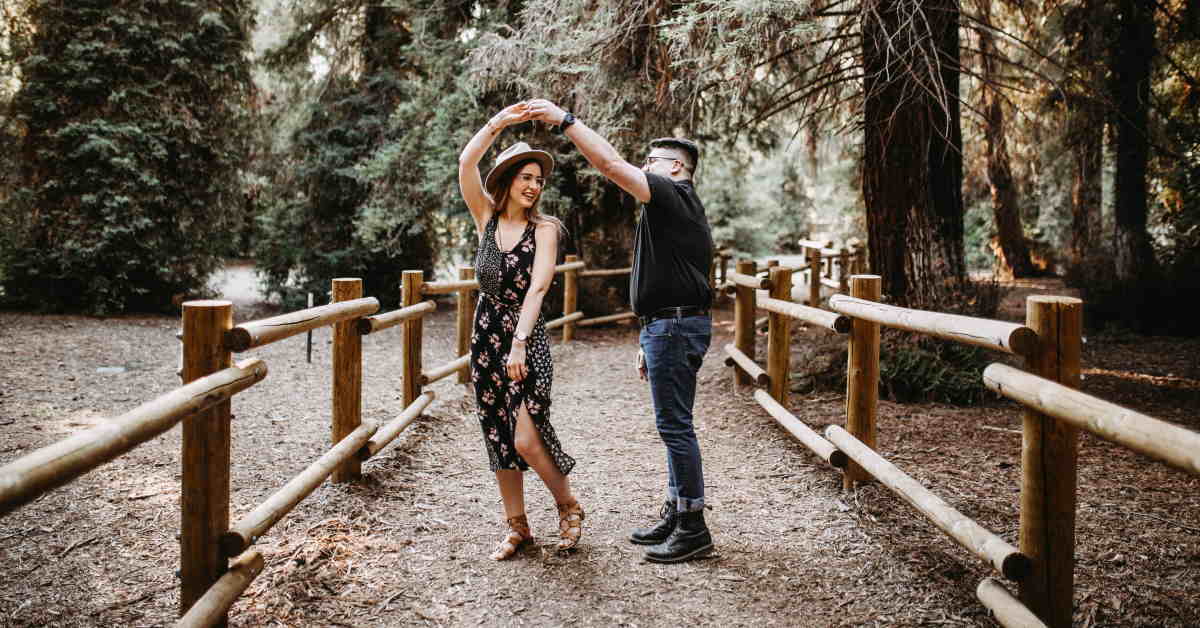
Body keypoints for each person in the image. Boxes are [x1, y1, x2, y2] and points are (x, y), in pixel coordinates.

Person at [526, 99, 714, 564]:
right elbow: (667, 278)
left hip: (673, 326)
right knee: (675, 426)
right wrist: (647, 335)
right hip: (666, 326)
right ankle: (676, 513)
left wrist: (565, 121)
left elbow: (608, 163)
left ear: (675, 168)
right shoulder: (673, 209)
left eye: (650, 164)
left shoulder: (674, 195)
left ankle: (694, 528)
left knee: (676, 427)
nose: (643, 170)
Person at [458, 102, 584, 561]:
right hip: (485, 337)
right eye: (526, 177)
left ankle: (568, 507)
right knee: (497, 433)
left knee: (526, 437)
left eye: (539, 180)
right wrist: (501, 123)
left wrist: (519, 343)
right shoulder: (486, 220)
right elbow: (466, 163)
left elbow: (539, 288)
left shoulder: (545, 229)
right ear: (508, 180)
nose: (534, 186)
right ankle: (517, 527)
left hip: (525, 340)